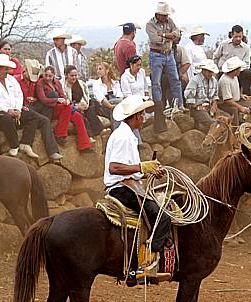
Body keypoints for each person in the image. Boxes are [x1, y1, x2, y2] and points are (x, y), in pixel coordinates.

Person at [104, 95, 171, 285]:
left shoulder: (126, 135)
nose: (144, 117)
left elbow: (128, 169)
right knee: (161, 216)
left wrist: (146, 172)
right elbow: (114, 168)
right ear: (136, 117)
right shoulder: (124, 137)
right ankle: (146, 263)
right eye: (142, 114)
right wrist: (142, 167)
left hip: (127, 184)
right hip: (120, 189)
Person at [0, 54, 58, 160]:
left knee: (37, 117)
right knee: (6, 118)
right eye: (5, 69)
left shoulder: (11, 79)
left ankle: (26, 143)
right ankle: (14, 145)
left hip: (15, 108)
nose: (7, 71)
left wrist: (17, 109)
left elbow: (19, 95)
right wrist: (8, 110)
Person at [35, 65, 93, 152]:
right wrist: (57, 99)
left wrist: (65, 100)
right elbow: (43, 99)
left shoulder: (57, 83)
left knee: (77, 116)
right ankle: (60, 134)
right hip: (49, 109)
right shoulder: (40, 83)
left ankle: (84, 145)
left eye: (50, 76)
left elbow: (62, 94)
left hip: (61, 108)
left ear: (54, 75)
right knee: (67, 108)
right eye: (46, 75)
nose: (47, 78)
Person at [145, 2, 182, 133]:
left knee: (175, 80)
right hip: (157, 54)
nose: (166, 17)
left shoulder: (169, 21)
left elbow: (177, 33)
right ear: (159, 14)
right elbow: (156, 39)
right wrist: (170, 36)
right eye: (164, 15)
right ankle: (159, 107)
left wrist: (164, 35)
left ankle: (179, 105)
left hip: (168, 52)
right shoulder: (150, 24)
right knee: (156, 83)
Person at [63, 65, 104, 137]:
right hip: (71, 107)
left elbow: (86, 95)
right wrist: (76, 107)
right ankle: (89, 135)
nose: (74, 77)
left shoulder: (81, 83)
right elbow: (65, 99)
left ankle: (99, 131)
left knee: (90, 110)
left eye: (76, 75)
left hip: (82, 104)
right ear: (66, 75)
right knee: (81, 116)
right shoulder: (63, 85)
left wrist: (84, 104)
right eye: (72, 76)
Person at [215, 25, 251, 95]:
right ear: (232, 35)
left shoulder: (246, 48)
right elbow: (216, 57)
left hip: (238, 72)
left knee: (248, 73)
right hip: (223, 71)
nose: (238, 39)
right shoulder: (224, 44)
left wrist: (236, 70)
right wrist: (217, 69)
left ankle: (246, 94)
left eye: (240, 36)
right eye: (236, 36)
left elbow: (247, 63)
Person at [183, 59, 219, 132]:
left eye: (211, 72)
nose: (211, 74)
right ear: (203, 70)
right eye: (209, 72)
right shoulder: (195, 80)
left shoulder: (214, 80)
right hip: (197, 109)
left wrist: (214, 104)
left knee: (224, 120)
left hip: (210, 107)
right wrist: (197, 107)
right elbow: (189, 97)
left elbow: (215, 95)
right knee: (212, 123)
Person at [219, 57, 250, 125]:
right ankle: (236, 128)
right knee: (234, 110)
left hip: (235, 100)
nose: (240, 70)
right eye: (239, 69)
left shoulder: (234, 77)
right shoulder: (225, 80)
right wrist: (241, 107)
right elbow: (227, 100)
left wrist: (240, 95)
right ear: (235, 70)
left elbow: (234, 88)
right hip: (224, 104)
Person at [93, 62, 123, 130]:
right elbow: (102, 99)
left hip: (117, 104)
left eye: (100, 69)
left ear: (107, 70)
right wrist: (112, 106)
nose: (98, 71)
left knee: (117, 102)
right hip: (104, 106)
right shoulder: (96, 84)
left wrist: (117, 105)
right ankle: (117, 131)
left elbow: (120, 96)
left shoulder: (115, 82)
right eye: (97, 69)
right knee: (114, 107)